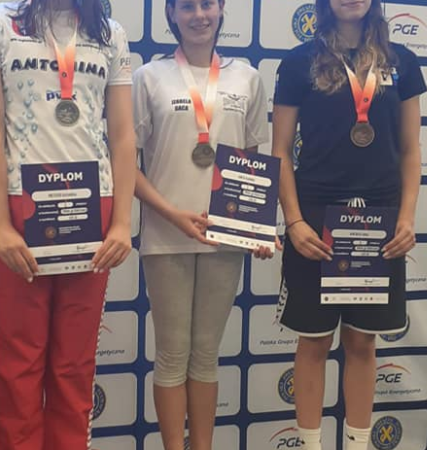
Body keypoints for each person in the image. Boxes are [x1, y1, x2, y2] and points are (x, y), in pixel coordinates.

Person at [0, 0, 135, 448]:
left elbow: (123, 134)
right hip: (22, 206)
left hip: (91, 208)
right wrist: (0, 223)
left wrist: (122, 222)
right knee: (17, 366)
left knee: (74, 365)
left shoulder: (109, 32)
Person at [272, 0, 426, 449]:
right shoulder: (298, 62)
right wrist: (294, 220)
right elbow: (280, 150)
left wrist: (406, 217)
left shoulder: (402, 62)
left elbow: (411, 149)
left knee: (362, 344)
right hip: (316, 221)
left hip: (379, 223)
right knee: (314, 343)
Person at [133, 1, 273, 448]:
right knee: (172, 356)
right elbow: (125, 164)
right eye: (187, 6)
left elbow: (253, 162)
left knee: (207, 357)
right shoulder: (148, 77)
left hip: (223, 239)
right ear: (171, 14)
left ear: (221, 9)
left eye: (207, 4)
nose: (199, 15)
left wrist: (257, 227)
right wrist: (172, 214)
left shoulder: (247, 78)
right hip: (166, 236)